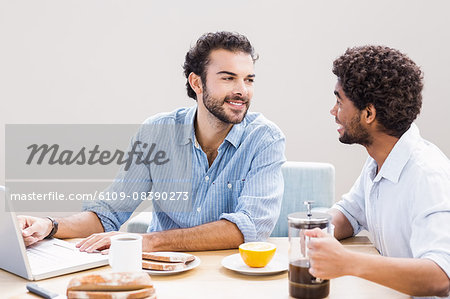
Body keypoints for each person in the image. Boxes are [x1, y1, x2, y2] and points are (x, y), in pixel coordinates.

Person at [18, 31, 286, 253]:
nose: (242, 90)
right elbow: (109, 213)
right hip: (161, 272)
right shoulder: (157, 133)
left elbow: (249, 226)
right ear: (197, 83)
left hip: (230, 276)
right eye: (228, 78)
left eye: (248, 79)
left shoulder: (265, 139)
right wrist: (48, 225)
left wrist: (148, 241)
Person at [304, 45, 450, 298]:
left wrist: (347, 262)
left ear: (369, 113)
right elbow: (349, 214)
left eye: (339, 101)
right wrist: (317, 231)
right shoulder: (379, 161)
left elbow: (440, 276)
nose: (333, 111)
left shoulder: (428, 175)